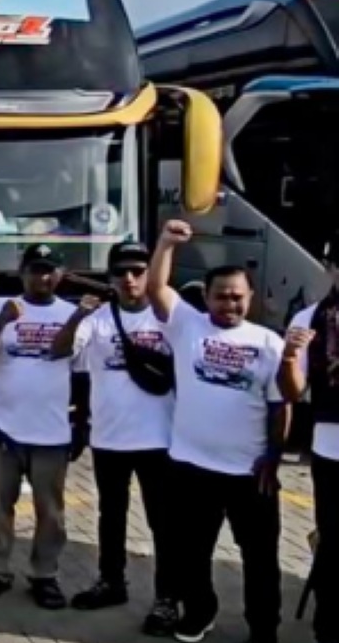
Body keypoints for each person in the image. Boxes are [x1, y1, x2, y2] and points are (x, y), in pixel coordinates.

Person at [149, 219, 286, 643]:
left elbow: (282, 406)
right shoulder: (188, 326)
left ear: (251, 299)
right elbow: (156, 289)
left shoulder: (269, 343)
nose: (229, 305)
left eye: (237, 297)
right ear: (205, 298)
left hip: (250, 473)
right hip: (190, 466)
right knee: (190, 553)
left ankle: (263, 628)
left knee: (261, 559)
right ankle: (199, 613)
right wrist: (166, 244)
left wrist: (275, 455)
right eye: (221, 297)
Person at [50, 241, 178, 635]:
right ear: (110, 278)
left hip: (160, 439)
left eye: (139, 271)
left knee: (164, 523)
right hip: (109, 438)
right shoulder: (97, 319)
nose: (130, 278)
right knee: (111, 517)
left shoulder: (170, 317)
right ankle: (112, 582)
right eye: (121, 272)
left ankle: (167, 599)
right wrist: (76, 316)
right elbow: (59, 351)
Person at [0, 243, 78, 609]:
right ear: (22, 273)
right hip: (3, 428)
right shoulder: (3, 309)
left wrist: (83, 424)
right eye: (34, 269)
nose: (41, 277)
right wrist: (0, 322)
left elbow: (78, 369)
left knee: (51, 512)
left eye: (48, 270)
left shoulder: (72, 313)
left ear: (59, 275)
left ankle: (45, 575)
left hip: (50, 432)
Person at [278, 231, 339, 643]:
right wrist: (288, 357)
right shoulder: (310, 320)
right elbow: (294, 392)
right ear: (331, 267)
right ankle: (329, 626)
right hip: (332, 444)